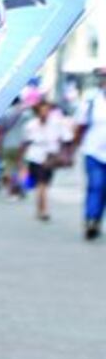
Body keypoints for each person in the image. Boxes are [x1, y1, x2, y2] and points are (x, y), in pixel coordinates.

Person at [20, 96, 73, 222]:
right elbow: (25, 142)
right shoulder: (31, 125)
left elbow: (67, 139)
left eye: (46, 110)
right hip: (35, 156)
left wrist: (66, 155)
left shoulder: (57, 123)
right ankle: (43, 209)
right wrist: (22, 162)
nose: (44, 113)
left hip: (50, 157)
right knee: (40, 183)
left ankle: (41, 209)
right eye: (41, 110)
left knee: (44, 184)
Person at [73, 66, 106, 239]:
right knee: (96, 185)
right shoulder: (91, 102)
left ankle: (98, 219)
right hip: (93, 152)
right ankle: (90, 219)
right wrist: (75, 147)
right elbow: (79, 126)